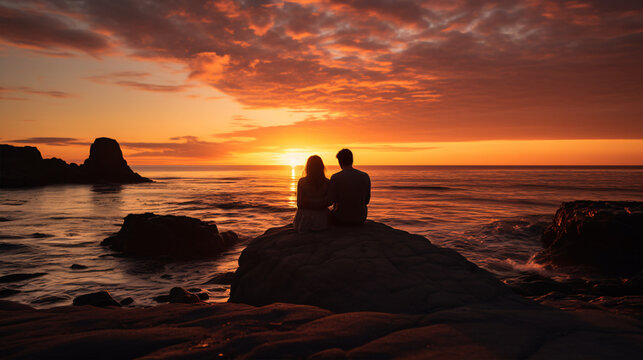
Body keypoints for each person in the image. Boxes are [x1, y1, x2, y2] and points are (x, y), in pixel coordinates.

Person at [326, 149, 371, 225]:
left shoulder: (335, 177)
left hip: (341, 218)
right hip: (360, 217)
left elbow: (331, 200)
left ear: (340, 162)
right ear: (352, 160)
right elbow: (366, 201)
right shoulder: (365, 176)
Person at [293, 155, 330, 233]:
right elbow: (327, 202)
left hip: (303, 220)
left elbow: (299, 204)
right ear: (322, 167)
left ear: (308, 167)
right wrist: (319, 202)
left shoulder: (302, 181)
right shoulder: (327, 182)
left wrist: (307, 201)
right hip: (321, 219)